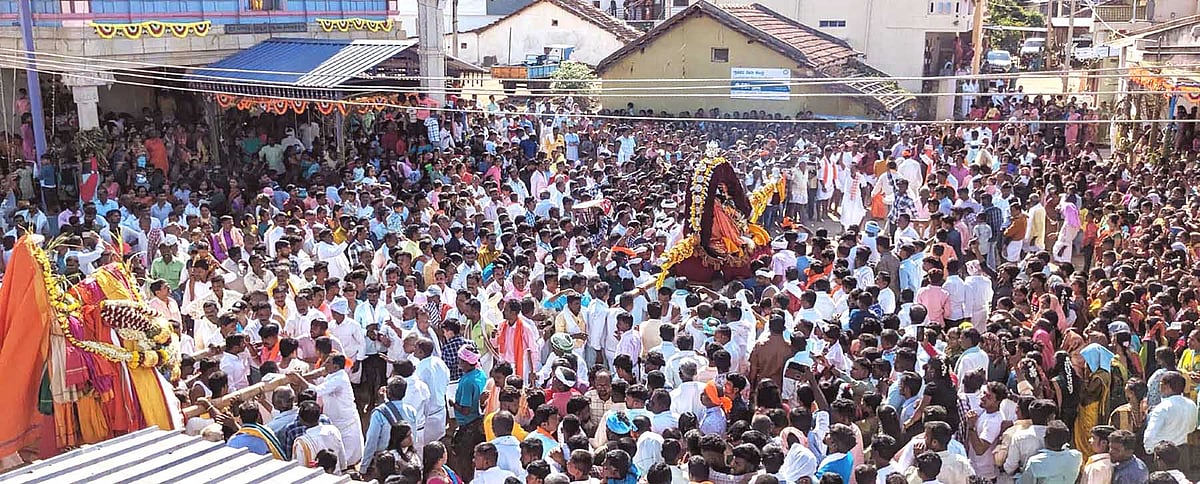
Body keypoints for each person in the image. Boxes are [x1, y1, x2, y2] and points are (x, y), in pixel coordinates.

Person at [291, 354, 364, 470]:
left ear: (335, 367)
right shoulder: (333, 374)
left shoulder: (339, 379)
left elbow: (316, 391)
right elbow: (318, 373)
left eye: (328, 363)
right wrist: (300, 376)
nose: (324, 364)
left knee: (348, 455)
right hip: (336, 420)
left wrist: (298, 379)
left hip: (346, 421)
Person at [451, 345, 488, 482]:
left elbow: (465, 410)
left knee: (465, 461)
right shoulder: (480, 374)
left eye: (460, 360)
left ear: (466, 362)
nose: (458, 362)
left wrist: (453, 404)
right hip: (477, 423)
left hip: (468, 426)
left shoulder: (467, 381)